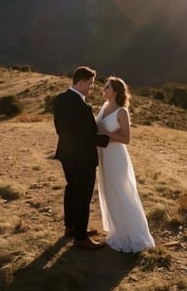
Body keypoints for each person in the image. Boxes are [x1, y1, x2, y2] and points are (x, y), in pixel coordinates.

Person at [96, 76, 155, 253]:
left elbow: (126, 139)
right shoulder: (104, 107)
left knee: (122, 193)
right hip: (104, 156)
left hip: (116, 156)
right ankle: (119, 231)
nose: (103, 89)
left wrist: (105, 133)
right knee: (109, 192)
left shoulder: (122, 112)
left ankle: (135, 235)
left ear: (115, 91)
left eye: (106, 87)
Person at [53, 66, 109, 250]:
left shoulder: (60, 99)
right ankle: (81, 237)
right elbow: (85, 136)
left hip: (66, 154)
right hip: (82, 158)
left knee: (72, 189)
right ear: (81, 82)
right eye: (91, 84)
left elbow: (62, 130)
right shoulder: (82, 106)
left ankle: (71, 227)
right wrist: (108, 139)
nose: (92, 88)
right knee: (83, 195)